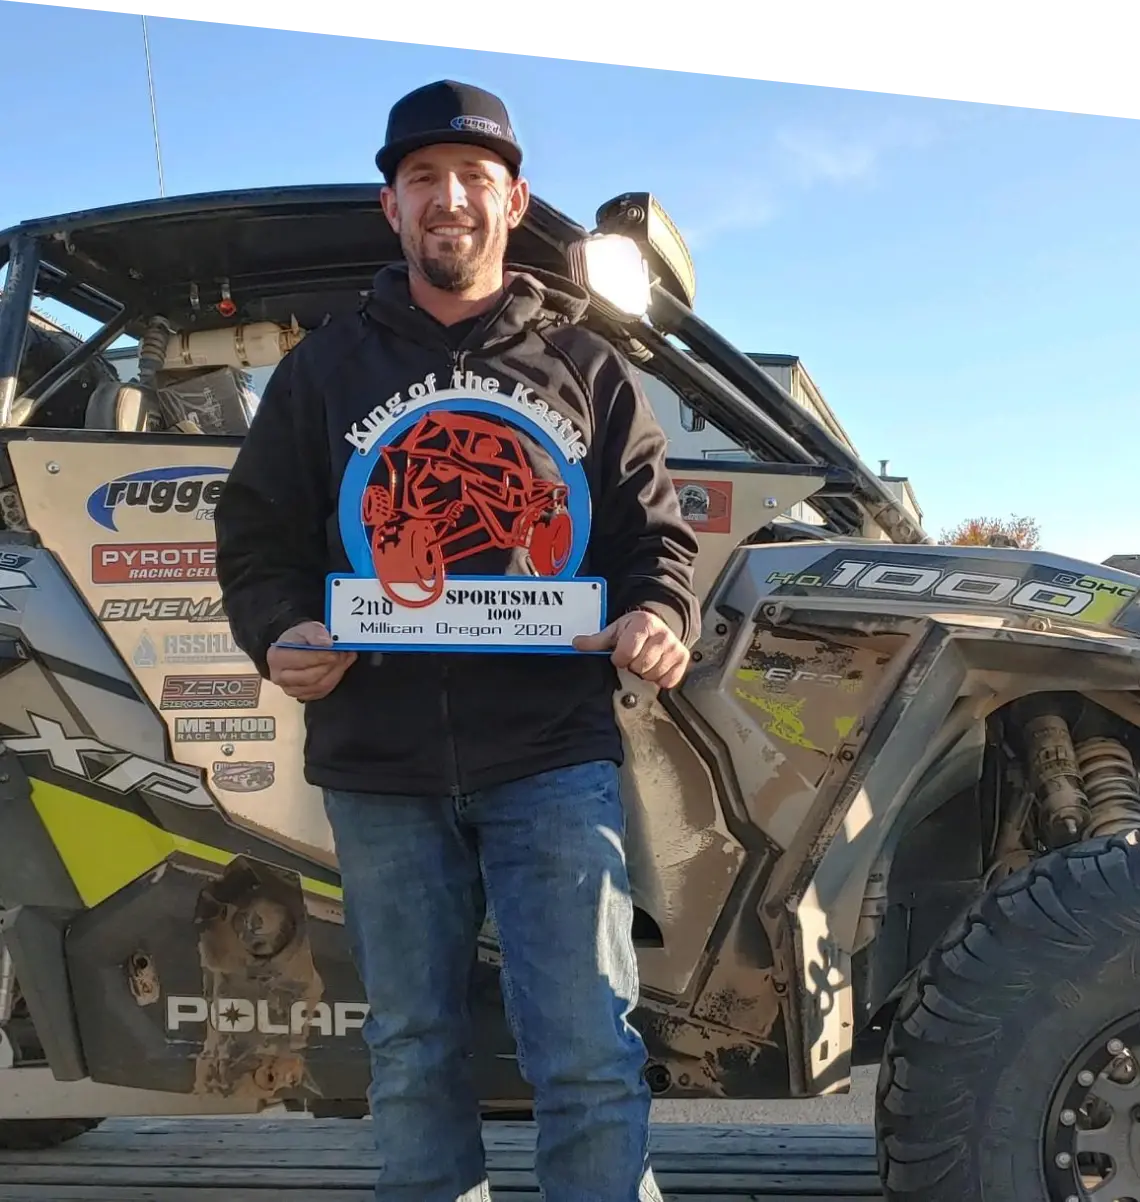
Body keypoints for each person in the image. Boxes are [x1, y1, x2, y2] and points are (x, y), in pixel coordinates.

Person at [214, 78, 700, 1202]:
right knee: (414, 1053)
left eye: (474, 179)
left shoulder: (588, 366)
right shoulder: (322, 370)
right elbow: (256, 540)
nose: (450, 201)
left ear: (513, 200)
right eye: (423, 179)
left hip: (552, 759)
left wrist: (657, 617)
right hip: (378, 768)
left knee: (585, 1049)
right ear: (391, 206)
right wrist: (276, 627)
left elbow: (653, 542)